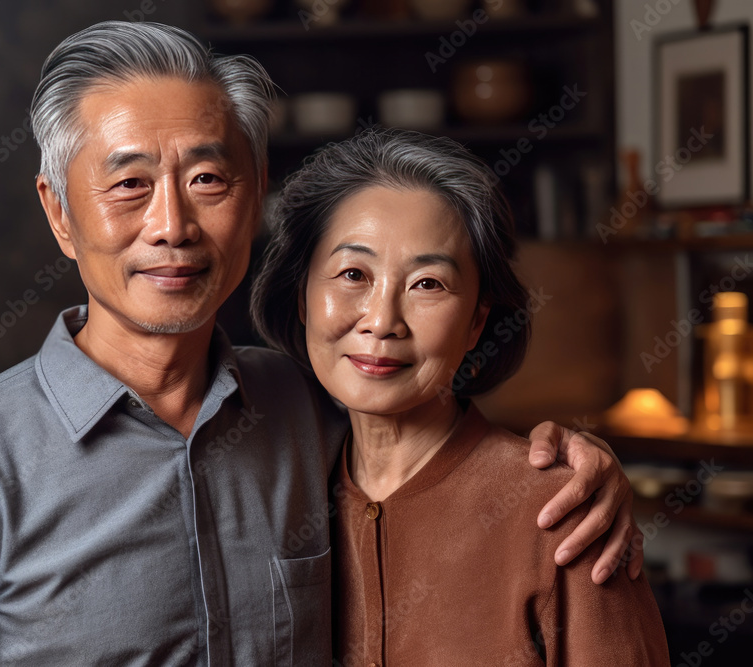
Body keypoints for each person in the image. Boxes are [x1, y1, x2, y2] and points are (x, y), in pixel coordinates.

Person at [0, 22, 641, 665]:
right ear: (59, 211)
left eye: (207, 179)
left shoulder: (308, 405)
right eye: (128, 183)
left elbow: (432, 436)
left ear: (256, 190)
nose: (171, 226)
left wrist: (578, 462)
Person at [252, 128, 670, 665]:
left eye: (428, 284)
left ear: (477, 321)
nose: (381, 322)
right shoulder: (283, 492)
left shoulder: (564, 512)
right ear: (304, 297)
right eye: (353, 273)